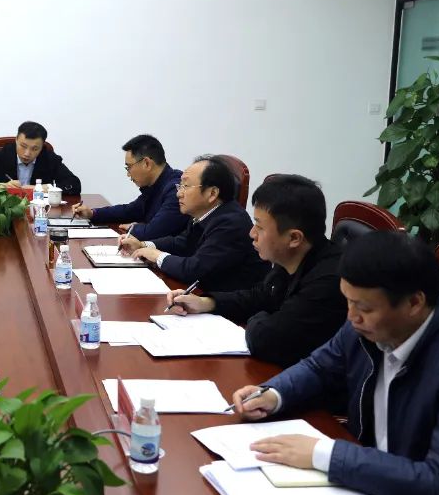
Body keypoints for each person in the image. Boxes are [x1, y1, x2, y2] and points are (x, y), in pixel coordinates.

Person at [231, 231, 439, 495]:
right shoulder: (369, 323)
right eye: (348, 301)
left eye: (364, 308)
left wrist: (324, 454)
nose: (351, 317)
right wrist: (273, 394)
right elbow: (320, 366)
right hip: (367, 489)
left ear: (414, 302)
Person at [165, 174, 345, 367]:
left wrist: (257, 318)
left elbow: (268, 340)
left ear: (294, 238)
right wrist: (205, 303)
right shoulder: (290, 257)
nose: (252, 233)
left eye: (259, 227)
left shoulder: (329, 281)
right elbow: (259, 296)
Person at [123, 155, 268, 292]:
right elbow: (182, 242)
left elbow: (194, 270)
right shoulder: (205, 212)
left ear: (212, 193)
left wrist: (157, 256)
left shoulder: (230, 223)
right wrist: (143, 245)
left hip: (232, 305)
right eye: (180, 186)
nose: (179, 193)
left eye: (186, 186)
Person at [73, 134, 188, 240]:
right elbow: (130, 211)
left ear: (146, 163)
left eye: (129, 167)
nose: (128, 174)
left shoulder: (176, 189)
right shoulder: (155, 185)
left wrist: (134, 228)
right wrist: (92, 213)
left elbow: (153, 232)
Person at [0, 121, 81, 195]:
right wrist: (2, 187)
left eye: (35, 149)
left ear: (42, 146)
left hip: (39, 211)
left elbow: (75, 184)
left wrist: (41, 188)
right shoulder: (0, 156)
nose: (27, 153)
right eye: (23, 146)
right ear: (16, 140)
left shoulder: (49, 158)